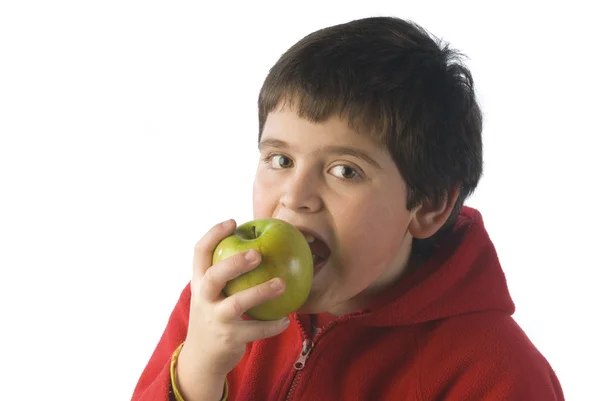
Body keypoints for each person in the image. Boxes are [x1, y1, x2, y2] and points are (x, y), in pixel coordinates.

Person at [131, 16, 564, 401]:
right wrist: (197, 373)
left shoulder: (495, 374)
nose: (295, 195)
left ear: (428, 206)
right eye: (280, 160)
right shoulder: (217, 308)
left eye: (345, 171)